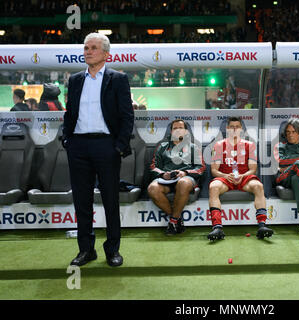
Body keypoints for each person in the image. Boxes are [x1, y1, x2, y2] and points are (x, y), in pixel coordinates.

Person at [63, 33, 134, 267]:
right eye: (86, 48)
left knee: (110, 200)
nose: (88, 51)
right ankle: (86, 250)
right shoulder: (75, 80)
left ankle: (112, 250)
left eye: (93, 48)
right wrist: (68, 140)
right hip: (78, 147)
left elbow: (126, 116)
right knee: (81, 202)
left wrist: (118, 147)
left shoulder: (118, 79)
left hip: (106, 147)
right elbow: (70, 114)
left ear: (106, 53)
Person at [207, 117, 273, 240]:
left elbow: (253, 169)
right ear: (227, 129)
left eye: (237, 126)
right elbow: (214, 170)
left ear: (241, 129)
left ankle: (262, 225)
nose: (234, 129)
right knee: (213, 187)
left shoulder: (250, 145)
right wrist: (225, 176)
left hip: (244, 178)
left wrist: (243, 175)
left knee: (258, 186)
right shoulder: (219, 145)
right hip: (226, 179)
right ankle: (217, 227)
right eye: (232, 127)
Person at [148, 119, 206, 235]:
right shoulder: (163, 146)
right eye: (175, 128)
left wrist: (186, 173)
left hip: (186, 178)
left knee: (183, 183)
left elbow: (201, 168)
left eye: (181, 128)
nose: (178, 130)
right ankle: (176, 218)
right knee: (152, 188)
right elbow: (153, 166)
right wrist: (163, 174)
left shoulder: (194, 147)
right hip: (166, 179)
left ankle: (173, 221)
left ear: (186, 131)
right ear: (171, 131)